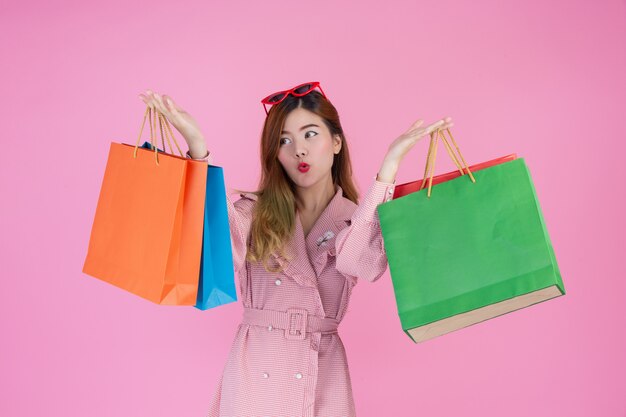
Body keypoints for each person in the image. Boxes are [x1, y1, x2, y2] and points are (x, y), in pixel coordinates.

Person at [139, 82, 452, 417]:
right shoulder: (254, 212)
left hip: (323, 372)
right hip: (256, 370)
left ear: (336, 142)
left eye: (310, 134)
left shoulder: (356, 220)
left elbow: (363, 263)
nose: (298, 150)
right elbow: (217, 245)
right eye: (284, 140)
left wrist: (387, 171)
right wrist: (198, 149)